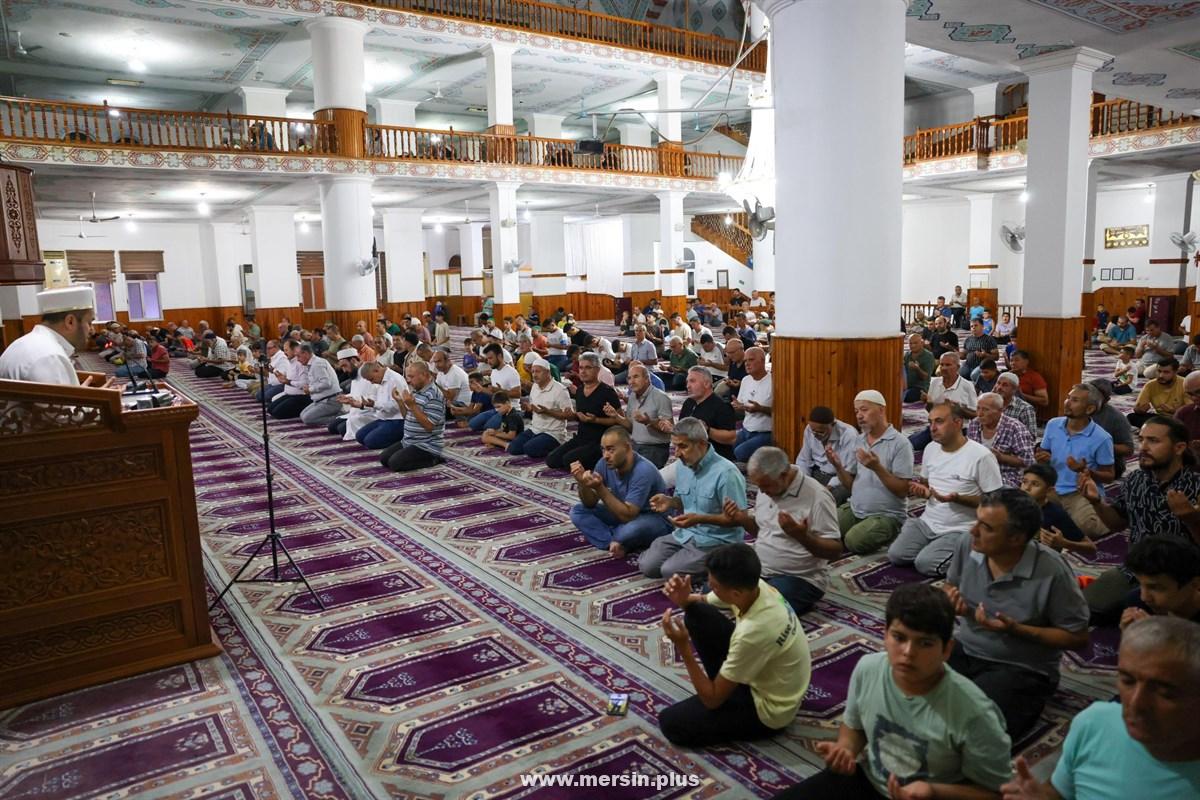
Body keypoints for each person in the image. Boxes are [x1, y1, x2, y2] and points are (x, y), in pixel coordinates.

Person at [772, 584, 1012, 800]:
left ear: (947, 649)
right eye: (899, 637)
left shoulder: (975, 712)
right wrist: (846, 749)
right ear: (885, 634)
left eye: (925, 643)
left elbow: (994, 793)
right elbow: (854, 727)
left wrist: (934, 791)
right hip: (871, 780)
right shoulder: (868, 668)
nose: (908, 652)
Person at [1000, 616, 1200, 800]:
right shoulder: (1093, 722)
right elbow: (1060, 792)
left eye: (1165, 693)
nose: (1136, 703)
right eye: (1128, 681)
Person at [942, 488, 1090, 736]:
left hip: (1020, 667)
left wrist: (1017, 630)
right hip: (966, 649)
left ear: (1016, 538)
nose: (973, 531)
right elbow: (950, 585)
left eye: (986, 527)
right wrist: (951, 599)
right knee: (908, 684)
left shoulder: (1052, 571)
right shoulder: (969, 545)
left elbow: (1077, 638)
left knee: (972, 726)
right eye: (976, 521)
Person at [657, 544, 811, 748]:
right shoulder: (758, 586)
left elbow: (711, 700)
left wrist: (683, 647)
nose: (710, 588)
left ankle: (727, 694)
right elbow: (702, 600)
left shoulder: (752, 632)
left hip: (769, 712)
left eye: (714, 586)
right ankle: (725, 683)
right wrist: (684, 600)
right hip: (770, 674)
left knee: (671, 723)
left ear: (736, 594)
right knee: (697, 612)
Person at [1076, 415, 1200, 620]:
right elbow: (1117, 523)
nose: (1142, 447)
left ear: (1179, 448)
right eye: (1141, 439)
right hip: (1136, 570)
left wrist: (1191, 520)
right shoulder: (1136, 479)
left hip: (1181, 577)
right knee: (1084, 609)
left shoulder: (1195, 487)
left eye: (1153, 441)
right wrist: (1096, 502)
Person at [722, 447, 843, 615]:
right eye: (758, 486)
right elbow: (761, 531)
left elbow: (835, 551)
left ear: (784, 475)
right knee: (714, 588)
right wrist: (742, 519)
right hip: (761, 570)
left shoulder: (818, 496)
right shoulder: (768, 487)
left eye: (765, 486)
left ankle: (789, 600)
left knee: (762, 608)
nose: (762, 491)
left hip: (800, 577)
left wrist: (802, 537)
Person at [890, 401, 1003, 577]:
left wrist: (957, 498)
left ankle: (974, 552)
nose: (932, 428)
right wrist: (923, 491)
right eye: (930, 422)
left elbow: (996, 503)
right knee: (897, 555)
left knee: (925, 564)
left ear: (958, 423)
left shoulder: (981, 456)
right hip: (928, 522)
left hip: (961, 528)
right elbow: (927, 485)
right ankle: (941, 548)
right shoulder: (930, 448)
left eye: (939, 421)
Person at [640, 418, 747, 578]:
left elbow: (738, 519)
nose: (677, 453)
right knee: (648, 566)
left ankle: (727, 564)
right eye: (675, 446)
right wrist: (670, 501)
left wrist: (699, 519)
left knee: (669, 571)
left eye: (683, 446)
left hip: (717, 541)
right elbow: (682, 501)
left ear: (702, 444)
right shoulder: (683, 466)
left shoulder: (726, 473)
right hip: (687, 534)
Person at [829, 390, 915, 555]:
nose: (859, 415)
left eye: (864, 409)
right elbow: (850, 485)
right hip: (856, 508)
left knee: (853, 541)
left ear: (881, 410)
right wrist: (838, 467)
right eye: (856, 411)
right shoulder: (859, 440)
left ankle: (894, 530)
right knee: (823, 526)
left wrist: (877, 468)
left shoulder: (900, 444)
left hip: (886, 514)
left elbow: (903, 490)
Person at [569, 426, 672, 557]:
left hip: (654, 519)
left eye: (611, 450)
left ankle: (618, 538)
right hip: (622, 511)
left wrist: (600, 488)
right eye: (603, 449)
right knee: (578, 511)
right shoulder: (604, 463)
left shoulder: (643, 470)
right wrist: (583, 483)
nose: (606, 455)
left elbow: (628, 516)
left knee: (630, 530)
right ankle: (614, 542)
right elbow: (590, 503)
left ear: (628, 447)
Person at [1034, 383, 1115, 539]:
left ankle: (1060, 520)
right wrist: (1042, 457)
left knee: (1090, 529)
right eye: (1068, 398)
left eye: (1075, 400)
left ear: (1089, 409)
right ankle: (1061, 520)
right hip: (1051, 489)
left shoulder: (1102, 438)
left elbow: (1109, 475)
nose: (1067, 402)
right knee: (1020, 514)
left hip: (1080, 493)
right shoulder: (1053, 424)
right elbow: (1045, 452)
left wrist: (1085, 471)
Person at [0, 286, 106, 386]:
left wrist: (85, 395)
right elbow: (61, 405)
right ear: (70, 322)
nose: (92, 331)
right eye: (89, 323)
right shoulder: (50, 358)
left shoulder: (23, 342)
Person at [545, 353, 623, 471]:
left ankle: (602, 460)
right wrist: (572, 415)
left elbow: (619, 420)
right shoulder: (580, 390)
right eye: (581, 368)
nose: (583, 371)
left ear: (597, 370)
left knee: (568, 461)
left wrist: (596, 420)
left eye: (588, 368)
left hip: (599, 441)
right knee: (551, 460)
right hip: (581, 437)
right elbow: (581, 415)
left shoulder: (607, 392)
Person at [378, 360, 446, 473]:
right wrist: (400, 402)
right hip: (409, 441)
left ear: (424, 375)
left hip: (426, 445)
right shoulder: (416, 390)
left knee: (395, 463)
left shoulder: (434, 395)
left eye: (411, 376)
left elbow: (429, 426)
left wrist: (412, 405)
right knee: (384, 459)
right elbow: (408, 417)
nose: (408, 380)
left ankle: (434, 459)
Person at [1121, 537, 1200, 628]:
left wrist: (1157, 638)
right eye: (1140, 583)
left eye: (1155, 588)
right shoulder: (1137, 603)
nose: (1144, 597)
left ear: (1195, 584)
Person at [910, 351, 978, 452]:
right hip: (936, 427)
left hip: (958, 431)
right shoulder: (935, 383)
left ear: (958, 367)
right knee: (909, 444)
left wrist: (959, 410)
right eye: (942, 365)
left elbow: (975, 414)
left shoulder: (967, 386)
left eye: (948, 365)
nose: (944, 368)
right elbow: (931, 411)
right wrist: (927, 403)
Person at [1020, 464, 1093, 558]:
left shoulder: (1056, 514)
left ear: (1049, 490)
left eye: (1035, 484)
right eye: (1024, 482)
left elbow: (1090, 547)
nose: (1026, 488)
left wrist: (1064, 543)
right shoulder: (1012, 505)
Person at [608, 362, 673, 468]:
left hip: (655, 448)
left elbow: (669, 429)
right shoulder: (632, 397)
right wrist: (616, 416)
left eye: (636, 377)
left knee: (635, 472)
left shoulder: (661, 398)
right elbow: (630, 427)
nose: (631, 382)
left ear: (647, 379)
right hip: (635, 445)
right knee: (611, 465)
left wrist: (648, 422)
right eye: (629, 378)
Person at [507, 359, 573, 458]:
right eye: (533, 371)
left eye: (538, 371)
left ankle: (558, 447)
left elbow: (569, 415)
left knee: (529, 449)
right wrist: (529, 409)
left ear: (547, 372)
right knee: (513, 448)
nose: (534, 375)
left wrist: (548, 412)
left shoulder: (560, 390)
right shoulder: (535, 387)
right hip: (535, 429)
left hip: (553, 433)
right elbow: (535, 410)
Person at [967, 392, 1035, 487]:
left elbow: (1028, 461)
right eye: (978, 408)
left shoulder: (1015, 427)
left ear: (1000, 410)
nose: (980, 414)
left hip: (1005, 477)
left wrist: (1001, 457)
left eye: (985, 410)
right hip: (977, 474)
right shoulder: (974, 424)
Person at [795, 406, 858, 506]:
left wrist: (827, 488)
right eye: (813, 431)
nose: (816, 435)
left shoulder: (849, 435)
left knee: (825, 500)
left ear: (833, 425)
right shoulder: (809, 429)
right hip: (817, 473)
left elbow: (848, 473)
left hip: (840, 479)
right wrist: (804, 483)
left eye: (820, 432)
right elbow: (803, 460)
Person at [676, 366, 738, 462]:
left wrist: (707, 430)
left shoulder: (722, 406)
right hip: (689, 458)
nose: (688, 385)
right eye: (687, 382)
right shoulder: (689, 402)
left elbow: (731, 438)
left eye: (692, 381)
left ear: (707, 383)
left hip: (714, 461)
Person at [731, 346, 773, 462]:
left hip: (765, 433)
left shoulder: (774, 381)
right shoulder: (745, 380)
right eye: (745, 361)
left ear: (762, 361)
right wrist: (737, 406)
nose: (747, 364)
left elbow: (781, 412)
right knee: (728, 449)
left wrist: (760, 409)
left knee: (739, 453)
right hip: (746, 429)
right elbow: (742, 409)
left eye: (751, 360)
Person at [1129, 357, 1186, 428]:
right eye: (1159, 371)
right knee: (1132, 417)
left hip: (1179, 418)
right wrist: (1139, 410)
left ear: (1175, 372)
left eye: (1166, 372)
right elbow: (1138, 407)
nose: (1161, 375)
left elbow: (1191, 411)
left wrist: (1173, 411)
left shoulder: (1185, 384)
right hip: (1161, 418)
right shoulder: (1150, 385)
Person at [297, 347, 345, 426]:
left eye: (298, 356)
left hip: (331, 400)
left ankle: (341, 417)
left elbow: (326, 383)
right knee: (302, 415)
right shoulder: (312, 364)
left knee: (307, 418)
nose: (298, 359)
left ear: (305, 353)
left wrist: (310, 389)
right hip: (321, 400)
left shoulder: (317, 364)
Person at [269, 343, 316, 419]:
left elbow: (304, 384)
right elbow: (288, 379)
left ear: (294, 350)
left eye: (286, 350)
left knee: (277, 413)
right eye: (284, 350)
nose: (284, 353)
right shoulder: (290, 362)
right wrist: (281, 377)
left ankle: (306, 410)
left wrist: (288, 382)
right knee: (270, 409)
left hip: (301, 396)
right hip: (289, 394)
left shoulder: (301, 363)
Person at [995, 371, 1038, 438]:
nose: (999, 387)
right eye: (998, 383)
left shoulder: (1025, 408)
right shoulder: (990, 404)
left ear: (1015, 389)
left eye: (1005, 385)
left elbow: (1031, 437)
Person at [903, 333, 935, 402]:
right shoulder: (907, 355)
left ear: (922, 343)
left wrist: (917, 369)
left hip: (920, 387)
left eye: (915, 343)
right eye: (910, 343)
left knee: (906, 397)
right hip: (906, 385)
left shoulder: (928, 356)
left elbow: (925, 377)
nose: (913, 346)